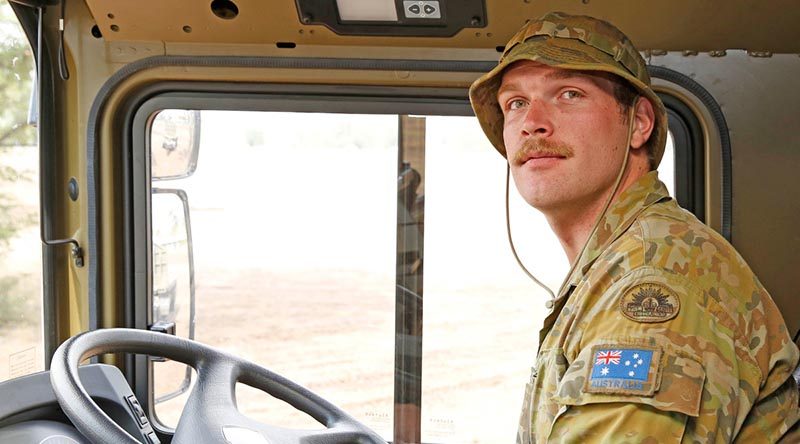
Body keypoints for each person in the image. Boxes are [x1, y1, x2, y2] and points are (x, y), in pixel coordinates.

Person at [468, 11, 800, 443]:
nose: (533, 122)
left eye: (568, 94)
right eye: (515, 103)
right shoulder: (615, 264)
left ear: (639, 123)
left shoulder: (653, 279)